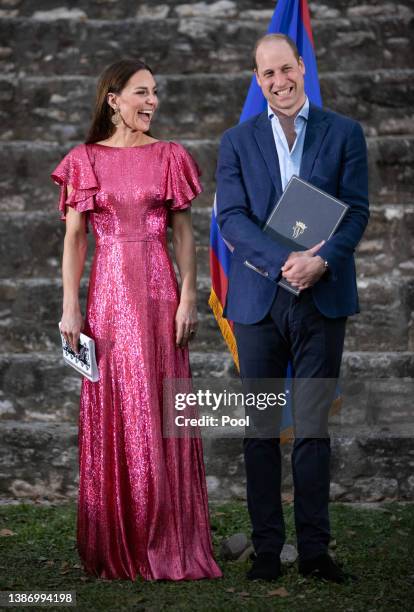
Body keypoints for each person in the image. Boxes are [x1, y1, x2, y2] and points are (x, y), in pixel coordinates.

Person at [51, 59, 222, 581]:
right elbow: (75, 238)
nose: (152, 102)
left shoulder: (170, 155)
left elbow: (185, 234)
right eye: (142, 92)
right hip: (106, 297)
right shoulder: (84, 160)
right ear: (113, 99)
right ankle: (118, 538)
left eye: (156, 93)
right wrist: (70, 305)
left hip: (158, 292)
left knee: (163, 404)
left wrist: (189, 295)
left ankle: (170, 537)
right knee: (116, 406)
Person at [215, 34, 369, 582]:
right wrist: (285, 261)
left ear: (302, 68)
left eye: (286, 69)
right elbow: (230, 218)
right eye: (267, 75)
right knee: (259, 430)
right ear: (257, 80)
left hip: (322, 300)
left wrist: (321, 262)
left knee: (311, 430)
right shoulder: (236, 140)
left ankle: (314, 551)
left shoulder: (345, 132)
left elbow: (356, 211)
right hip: (258, 303)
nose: (279, 82)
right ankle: (264, 550)